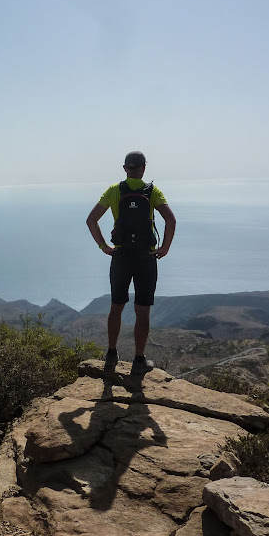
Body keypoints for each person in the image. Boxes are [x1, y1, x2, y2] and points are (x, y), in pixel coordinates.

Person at [86, 151, 176, 372]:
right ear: (144, 168)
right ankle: (139, 360)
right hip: (146, 257)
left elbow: (91, 220)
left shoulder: (114, 191)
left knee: (116, 307)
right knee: (142, 310)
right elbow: (171, 220)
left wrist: (104, 247)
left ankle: (111, 354)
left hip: (121, 256)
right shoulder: (153, 191)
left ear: (125, 168)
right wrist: (164, 248)